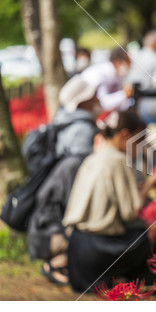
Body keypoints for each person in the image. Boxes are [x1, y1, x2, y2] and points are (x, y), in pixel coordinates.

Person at [62, 111, 156, 292]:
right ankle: (136, 278)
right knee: (148, 235)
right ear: (125, 135)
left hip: (77, 249)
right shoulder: (118, 160)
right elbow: (131, 212)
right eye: (138, 140)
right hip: (99, 251)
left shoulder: (93, 157)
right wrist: (150, 184)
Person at [27, 75, 100, 285]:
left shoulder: (64, 120)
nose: (97, 97)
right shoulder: (83, 130)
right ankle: (59, 260)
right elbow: (80, 179)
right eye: (92, 94)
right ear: (84, 100)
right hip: (53, 223)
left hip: (44, 216)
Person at [81, 47, 133, 111]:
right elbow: (104, 103)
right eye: (128, 61)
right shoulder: (103, 74)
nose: (130, 65)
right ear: (117, 61)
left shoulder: (116, 75)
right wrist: (124, 94)